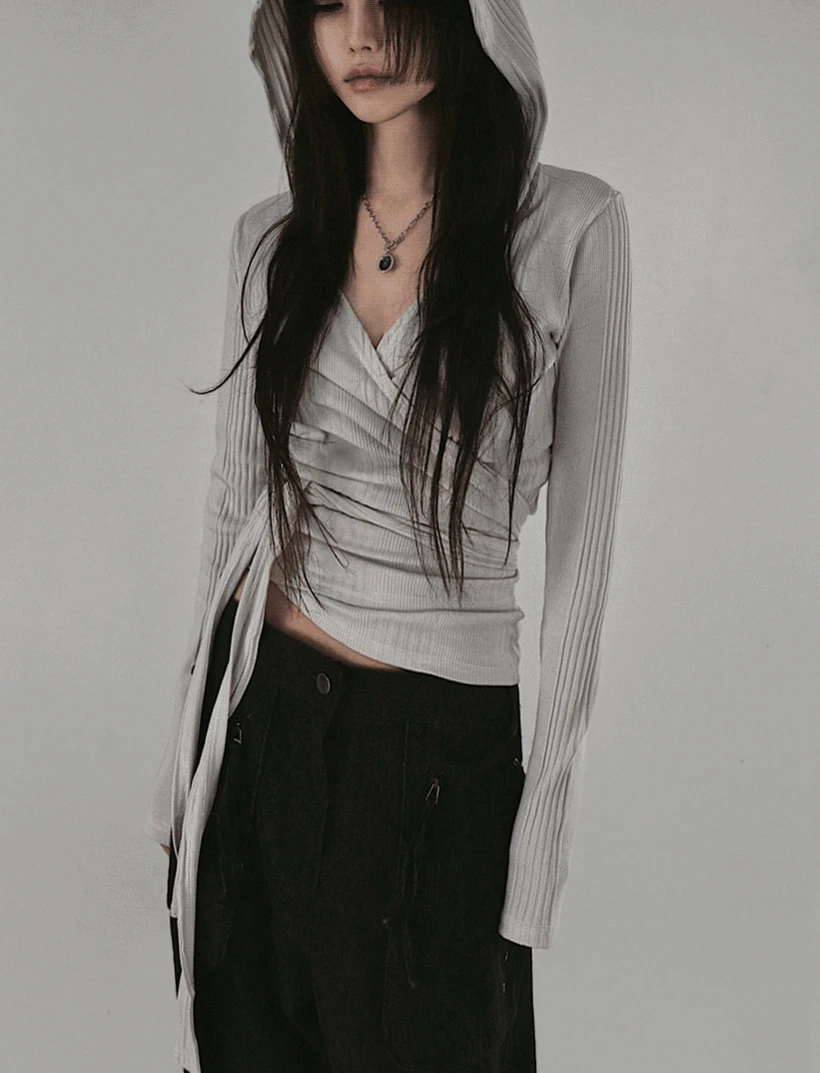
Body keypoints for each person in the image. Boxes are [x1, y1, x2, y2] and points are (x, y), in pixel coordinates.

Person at [144, 0, 632, 1070]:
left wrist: (537, 844)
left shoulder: (570, 227)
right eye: (328, 4)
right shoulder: (270, 238)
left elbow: (582, 561)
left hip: (439, 758)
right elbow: (231, 508)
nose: (360, 33)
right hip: (260, 731)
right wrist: (185, 765)